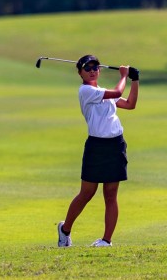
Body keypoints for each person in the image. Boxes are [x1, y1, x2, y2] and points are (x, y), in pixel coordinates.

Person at [57, 55, 139, 247]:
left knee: (111, 194)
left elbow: (130, 104)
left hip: (115, 145)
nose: (92, 70)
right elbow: (118, 90)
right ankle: (65, 229)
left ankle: (106, 240)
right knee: (87, 193)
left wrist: (135, 80)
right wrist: (124, 76)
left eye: (95, 67)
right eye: (88, 68)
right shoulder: (85, 91)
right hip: (96, 146)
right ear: (80, 73)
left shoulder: (103, 92)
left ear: (100, 70)